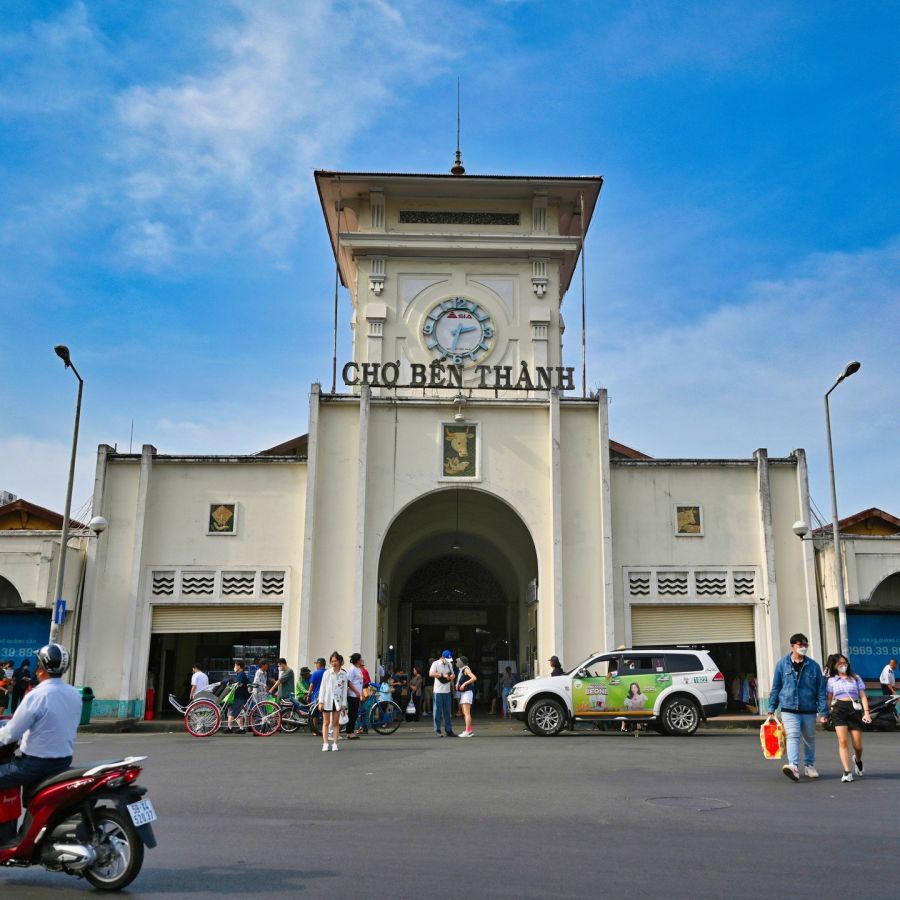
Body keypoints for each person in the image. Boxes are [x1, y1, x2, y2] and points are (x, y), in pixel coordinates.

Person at [0, 644, 81, 842]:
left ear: (41, 669)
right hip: (62, 762)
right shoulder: (74, 694)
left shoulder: (37, 695)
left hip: (35, 765)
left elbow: (9, 734)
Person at [766, 633, 827, 782]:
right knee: (792, 736)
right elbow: (776, 687)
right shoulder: (782, 664)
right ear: (792, 646)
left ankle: (809, 765)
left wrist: (824, 711)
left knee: (809, 738)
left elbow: (821, 690)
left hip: (809, 708)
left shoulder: (813, 666)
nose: (803, 647)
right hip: (788, 708)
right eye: (800, 645)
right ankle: (793, 766)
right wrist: (771, 708)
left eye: (805, 645)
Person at [826, 655, 872, 783]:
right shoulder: (832, 680)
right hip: (839, 710)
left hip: (854, 710)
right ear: (834, 665)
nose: (843, 665)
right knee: (843, 742)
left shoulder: (855, 678)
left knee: (857, 745)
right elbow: (829, 698)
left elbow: (863, 696)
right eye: (840, 663)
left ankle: (857, 760)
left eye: (844, 662)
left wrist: (866, 713)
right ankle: (847, 772)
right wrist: (827, 712)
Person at [318, 652, 348, 752]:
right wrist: (321, 701)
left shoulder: (344, 674)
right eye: (332, 661)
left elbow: (344, 690)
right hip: (327, 700)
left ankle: (335, 744)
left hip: (338, 702)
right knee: (326, 722)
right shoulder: (327, 673)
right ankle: (325, 743)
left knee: (335, 723)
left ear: (339, 661)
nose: (333, 663)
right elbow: (322, 688)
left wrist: (344, 703)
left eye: (335, 661)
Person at [429, 650, 455, 737]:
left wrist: (452, 677)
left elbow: (453, 674)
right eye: (447, 659)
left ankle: (448, 730)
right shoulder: (435, 664)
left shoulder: (449, 664)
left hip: (447, 691)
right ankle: (437, 730)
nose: (448, 661)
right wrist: (442, 675)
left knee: (447, 711)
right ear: (442, 657)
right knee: (437, 711)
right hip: (438, 691)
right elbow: (431, 673)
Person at [225, 660, 251, 734]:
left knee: (232, 712)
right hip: (239, 697)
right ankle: (241, 728)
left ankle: (229, 728)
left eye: (235, 665)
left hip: (239, 697)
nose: (234, 667)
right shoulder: (239, 674)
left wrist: (234, 684)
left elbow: (240, 684)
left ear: (239, 666)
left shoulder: (241, 674)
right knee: (237, 713)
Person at [456, 656, 477, 738]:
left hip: (467, 693)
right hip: (465, 693)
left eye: (458, 661)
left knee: (467, 713)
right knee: (465, 713)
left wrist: (464, 684)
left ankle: (468, 731)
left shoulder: (466, 669)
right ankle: (469, 730)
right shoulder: (462, 669)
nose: (457, 663)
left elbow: (474, 678)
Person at [346, 653, 365, 740]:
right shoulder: (352, 669)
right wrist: (356, 691)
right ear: (358, 660)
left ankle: (351, 731)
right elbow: (349, 682)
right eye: (361, 659)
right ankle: (349, 732)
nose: (362, 660)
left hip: (357, 695)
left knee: (354, 714)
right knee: (352, 714)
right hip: (352, 695)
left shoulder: (358, 669)